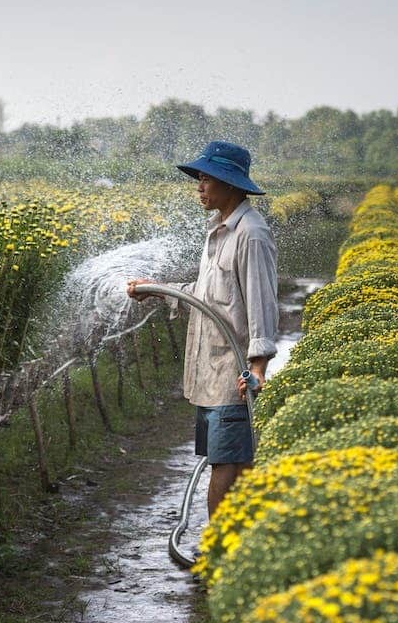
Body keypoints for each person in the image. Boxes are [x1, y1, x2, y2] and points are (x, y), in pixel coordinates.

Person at [127, 140, 278, 516]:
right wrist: (157, 291)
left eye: (207, 179)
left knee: (227, 465)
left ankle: (221, 551)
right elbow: (206, 295)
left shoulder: (251, 235)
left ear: (230, 184)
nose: (199, 186)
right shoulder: (218, 232)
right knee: (231, 461)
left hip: (234, 373)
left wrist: (258, 367)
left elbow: (262, 304)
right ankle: (235, 548)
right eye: (199, 178)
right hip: (211, 370)